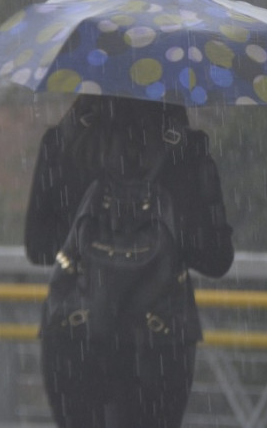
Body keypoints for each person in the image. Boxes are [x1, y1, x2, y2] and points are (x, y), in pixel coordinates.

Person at [24, 95, 234, 428]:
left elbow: (38, 247)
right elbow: (215, 259)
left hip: (76, 338)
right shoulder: (186, 150)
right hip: (158, 343)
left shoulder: (64, 142)